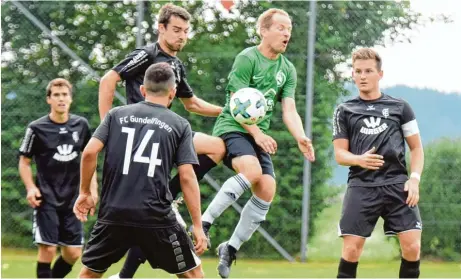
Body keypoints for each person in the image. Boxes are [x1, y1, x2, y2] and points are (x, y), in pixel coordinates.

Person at [98, 3, 225, 278]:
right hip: (141, 136)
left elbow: (191, 104)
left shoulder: (176, 65)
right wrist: (107, 127)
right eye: (176, 30)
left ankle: (169, 195)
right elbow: (108, 79)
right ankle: (165, 199)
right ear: (161, 28)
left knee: (217, 147)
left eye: (186, 31)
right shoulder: (146, 55)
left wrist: (227, 111)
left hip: (164, 135)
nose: (182, 36)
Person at [191, 8, 315, 278]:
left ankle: (230, 248)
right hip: (233, 128)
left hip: (257, 135)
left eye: (289, 29)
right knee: (252, 171)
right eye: (281, 28)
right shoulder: (248, 58)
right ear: (264, 30)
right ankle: (203, 224)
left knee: (267, 188)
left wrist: (301, 136)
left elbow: (289, 110)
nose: (287, 33)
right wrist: (257, 133)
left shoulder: (287, 69)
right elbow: (236, 103)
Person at [74, 62, 207, 278]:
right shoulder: (180, 124)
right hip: (156, 216)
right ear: (173, 93)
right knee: (192, 273)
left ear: (142, 90)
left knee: (90, 274)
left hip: (114, 212)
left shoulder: (115, 115)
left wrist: (84, 193)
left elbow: (89, 153)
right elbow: (187, 176)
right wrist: (197, 225)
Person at [332, 48, 424, 278]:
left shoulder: (400, 107)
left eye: (368, 71)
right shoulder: (344, 110)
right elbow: (340, 155)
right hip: (361, 186)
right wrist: (359, 159)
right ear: (352, 75)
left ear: (380, 74)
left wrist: (414, 180)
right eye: (358, 71)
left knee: (412, 247)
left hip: (397, 185)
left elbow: (417, 148)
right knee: (352, 250)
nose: (362, 76)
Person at [18, 78, 97, 278]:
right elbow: (24, 161)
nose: (61, 99)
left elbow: (89, 161)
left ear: (70, 99)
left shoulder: (81, 125)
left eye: (65, 94)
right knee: (48, 249)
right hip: (46, 198)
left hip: (73, 199)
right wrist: (30, 188)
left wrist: (91, 192)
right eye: (56, 95)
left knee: (73, 253)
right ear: (49, 99)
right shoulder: (36, 128)